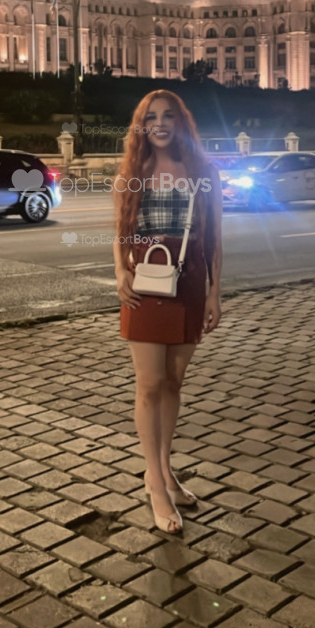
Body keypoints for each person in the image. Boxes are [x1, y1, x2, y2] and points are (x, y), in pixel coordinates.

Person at [113, 90, 222, 534]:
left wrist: (214, 292)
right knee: (150, 383)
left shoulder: (203, 172)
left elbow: (214, 236)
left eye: (168, 116)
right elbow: (121, 232)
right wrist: (119, 270)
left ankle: (163, 470)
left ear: (181, 122)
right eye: (151, 117)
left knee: (173, 382)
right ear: (142, 126)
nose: (159, 124)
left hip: (189, 278)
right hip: (145, 281)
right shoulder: (132, 173)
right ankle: (155, 483)